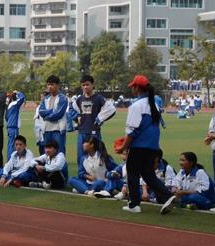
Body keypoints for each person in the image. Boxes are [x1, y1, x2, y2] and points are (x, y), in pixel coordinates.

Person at [115, 75, 175, 215]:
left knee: (132, 173)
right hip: (152, 146)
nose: (132, 89)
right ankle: (167, 195)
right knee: (148, 174)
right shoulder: (153, 104)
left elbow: (133, 131)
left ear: (137, 88)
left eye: (133, 87)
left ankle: (134, 204)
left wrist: (123, 147)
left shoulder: (136, 106)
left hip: (138, 146)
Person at [70, 75, 116, 177]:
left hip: (94, 133)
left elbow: (111, 110)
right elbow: (71, 109)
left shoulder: (99, 98)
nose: (85, 87)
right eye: (83, 85)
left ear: (92, 85)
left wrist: (100, 119)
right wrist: (76, 116)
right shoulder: (79, 99)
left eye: (87, 84)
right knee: (81, 157)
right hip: (82, 132)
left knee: (98, 157)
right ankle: (82, 178)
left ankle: (102, 177)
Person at [37, 75, 69, 179]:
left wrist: (47, 115)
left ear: (58, 85)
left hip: (58, 130)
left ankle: (63, 178)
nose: (50, 87)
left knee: (60, 154)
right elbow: (41, 112)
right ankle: (47, 177)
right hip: (47, 129)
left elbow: (59, 114)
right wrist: (50, 112)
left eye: (52, 84)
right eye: (48, 84)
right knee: (47, 155)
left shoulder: (63, 98)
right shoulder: (46, 98)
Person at [5, 90, 26, 159]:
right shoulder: (15, 104)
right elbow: (22, 98)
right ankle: (11, 161)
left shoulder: (9, 106)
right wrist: (18, 92)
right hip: (13, 127)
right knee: (14, 145)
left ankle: (9, 160)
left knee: (10, 144)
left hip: (10, 127)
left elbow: (6, 117)